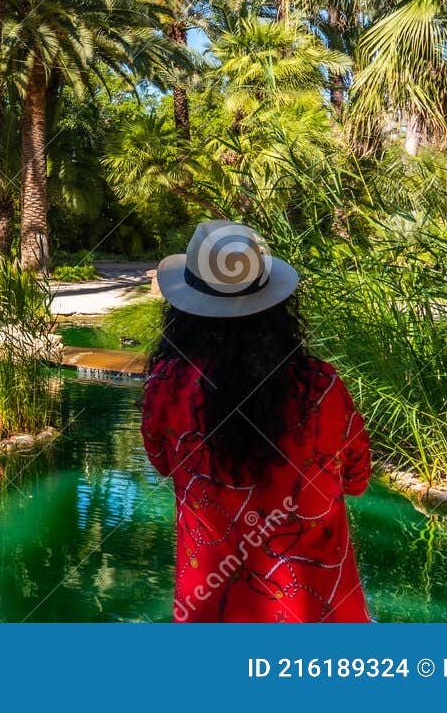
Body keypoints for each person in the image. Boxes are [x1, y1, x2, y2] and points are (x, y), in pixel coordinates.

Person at [142, 220, 372, 622]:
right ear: (276, 308)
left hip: (210, 607)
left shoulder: (168, 387)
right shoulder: (322, 387)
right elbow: (357, 480)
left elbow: (163, 464)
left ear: (187, 310)